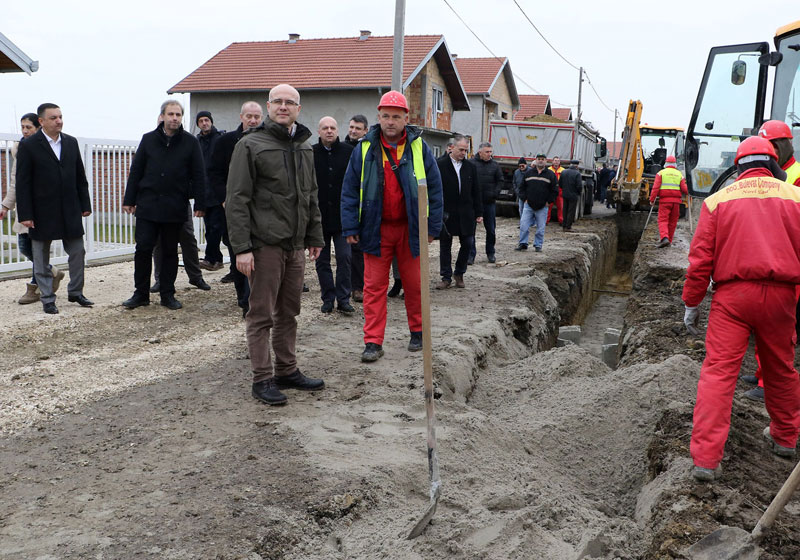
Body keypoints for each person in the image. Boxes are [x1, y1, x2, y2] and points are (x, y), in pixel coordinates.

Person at [683, 136, 800, 482]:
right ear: (773, 163)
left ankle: (705, 460)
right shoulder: (795, 197)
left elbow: (700, 260)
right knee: (780, 368)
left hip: (732, 299)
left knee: (718, 374)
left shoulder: (719, 200)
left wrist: (691, 302)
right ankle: (785, 438)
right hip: (782, 298)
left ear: (738, 166)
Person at [226, 84, 325, 406]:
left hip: (295, 246)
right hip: (264, 245)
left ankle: (286, 369)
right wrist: (241, 248)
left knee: (289, 312)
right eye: (278, 102)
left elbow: (310, 195)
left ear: (299, 108)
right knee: (261, 315)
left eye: (290, 102)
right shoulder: (250, 145)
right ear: (269, 107)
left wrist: (314, 236)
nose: (284, 106)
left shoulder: (305, 147)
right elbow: (237, 199)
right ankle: (262, 378)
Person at [340, 90, 443, 363]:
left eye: (396, 117)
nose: (390, 122)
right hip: (376, 229)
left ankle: (418, 332)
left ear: (405, 118)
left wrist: (432, 227)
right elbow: (350, 191)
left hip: (411, 229)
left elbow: (435, 189)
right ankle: (373, 342)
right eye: (385, 116)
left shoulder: (420, 147)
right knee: (373, 287)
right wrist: (350, 227)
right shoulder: (363, 149)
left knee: (415, 284)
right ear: (379, 117)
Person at [122, 100, 206, 311]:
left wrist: (201, 203)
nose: (174, 118)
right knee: (143, 249)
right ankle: (140, 293)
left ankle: (167, 294)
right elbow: (137, 170)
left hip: (174, 205)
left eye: (178, 114)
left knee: (169, 251)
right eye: (171, 114)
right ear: (163, 116)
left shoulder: (190, 142)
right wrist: (129, 199)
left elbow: (199, 174)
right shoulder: (148, 140)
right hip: (148, 205)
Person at [15, 103, 93, 315]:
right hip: (41, 211)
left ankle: (76, 292)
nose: (59, 121)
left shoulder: (71, 142)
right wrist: (26, 215)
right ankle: (47, 298)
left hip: (70, 209)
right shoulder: (29, 146)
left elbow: (80, 176)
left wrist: (85, 205)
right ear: (42, 121)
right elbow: (23, 183)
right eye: (53, 118)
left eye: (60, 116)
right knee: (40, 256)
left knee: (78, 252)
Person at [1, 113, 64, 305]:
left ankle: (35, 287)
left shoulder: (48, 148)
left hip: (42, 207)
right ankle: (51, 271)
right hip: (25, 207)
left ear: (39, 127)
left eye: (29, 127)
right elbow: (15, 180)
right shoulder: (19, 149)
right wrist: (5, 205)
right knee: (24, 247)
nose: (25, 131)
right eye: (23, 127)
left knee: (37, 249)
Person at [208, 101, 263, 316]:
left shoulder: (266, 141)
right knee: (237, 252)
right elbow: (214, 173)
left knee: (259, 255)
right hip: (232, 208)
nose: (253, 120)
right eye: (249, 116)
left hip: (260, 209)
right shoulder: (225, 142)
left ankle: (258, 298)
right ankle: (244, 300)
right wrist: (225, 199)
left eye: (257, 117)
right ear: (241, 117)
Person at [313, 116, 355, 314]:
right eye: (325, 128)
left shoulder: (349, 152)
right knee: (321, 261)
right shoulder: (311, 153)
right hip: (319, 217)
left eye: (332, 127)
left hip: (343, 217)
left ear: (338, 130)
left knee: (345, 258)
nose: (329, 131)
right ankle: (328, 298)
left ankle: (343, 298)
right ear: (319, 131)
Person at [436, 134, 482, 289]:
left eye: (466, 150)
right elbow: (435, 190)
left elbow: (476, 191)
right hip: (447, 213)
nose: (463, 153)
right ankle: (446, 277)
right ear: (451, 148)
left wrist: (479, 212)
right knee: (445, 245)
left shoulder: (470, 167)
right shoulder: (440, 165)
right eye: (461, 149)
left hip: (466, 212)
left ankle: (459, 273)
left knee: (468, 243)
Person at [195, 110, 226, 271]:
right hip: (205, 192)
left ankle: (210, 258)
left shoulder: (219, 139)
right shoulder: (197, 141)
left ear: (211, 121)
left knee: (215, 228)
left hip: (218, 192)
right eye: (201, 121)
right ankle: (217, 260)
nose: (204, 123)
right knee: (209, 229)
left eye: (207, 120)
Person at [343, 114, 369, 301]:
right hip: (347, 204)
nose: (353, 131)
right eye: (351, 127)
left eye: (357, 128)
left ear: (365, 131)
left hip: (365, 206)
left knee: (360, 250)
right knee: (349, 251)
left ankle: (360, 286)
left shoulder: (366, 150)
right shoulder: (343, 149)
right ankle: (353, 286)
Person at [516, 153, 558, 252]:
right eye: (539, 159)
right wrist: (524, 199)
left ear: (546, 161)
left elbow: (555, 190)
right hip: (528, 205)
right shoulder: (529, 173)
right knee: (524, 225)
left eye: (542, 159)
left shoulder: (550, 175)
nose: (540, 161)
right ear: (535, 160)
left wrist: (549, 201)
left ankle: (538, 245)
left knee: (540, 228)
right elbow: (521, 188)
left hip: (543, 206)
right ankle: (523, 243)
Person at [469, 142, 502, 264]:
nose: (489, 154)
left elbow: (500, 180)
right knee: (471, 230)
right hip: (473, 203)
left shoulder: (495, 165)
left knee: (491, 230)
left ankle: (491, 253)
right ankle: (470, 255)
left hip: (489, 203)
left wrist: (495, 193)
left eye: (490, 152)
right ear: (480, 152)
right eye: (487, 152)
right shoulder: (471, 164)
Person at [649, 154, 687, 248]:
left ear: (666, 163)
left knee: (663, 220)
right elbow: (684, 189)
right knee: (673, 222)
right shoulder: (679, 174)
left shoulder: (661, 173)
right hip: (676, 202)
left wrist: (652, 199)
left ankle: (664, 238)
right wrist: (689, 193)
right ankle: (669, 240)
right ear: (675, 164)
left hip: (665, 201)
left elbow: (655, 187)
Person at [559, 160, 583, 231]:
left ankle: (564, 225)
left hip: (565, 194)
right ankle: (568, 226)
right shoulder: (577, 173)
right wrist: (578, 192)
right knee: (571, 211)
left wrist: (564, 189)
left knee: (565, 210)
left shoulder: (564, 172)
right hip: (573, 194)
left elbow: (560, 183)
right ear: (577, 166)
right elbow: (579, 185)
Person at [548, 156, 565, 223]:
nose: (556, 162)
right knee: (549, 206)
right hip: (551, 189)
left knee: (561, 206)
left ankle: (561, 221)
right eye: (555, 160)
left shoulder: (563, 170)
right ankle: (546, 221)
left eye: (558, 161)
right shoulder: (548, 170)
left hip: (559, 190)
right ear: (552, 162)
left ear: (559, 162)